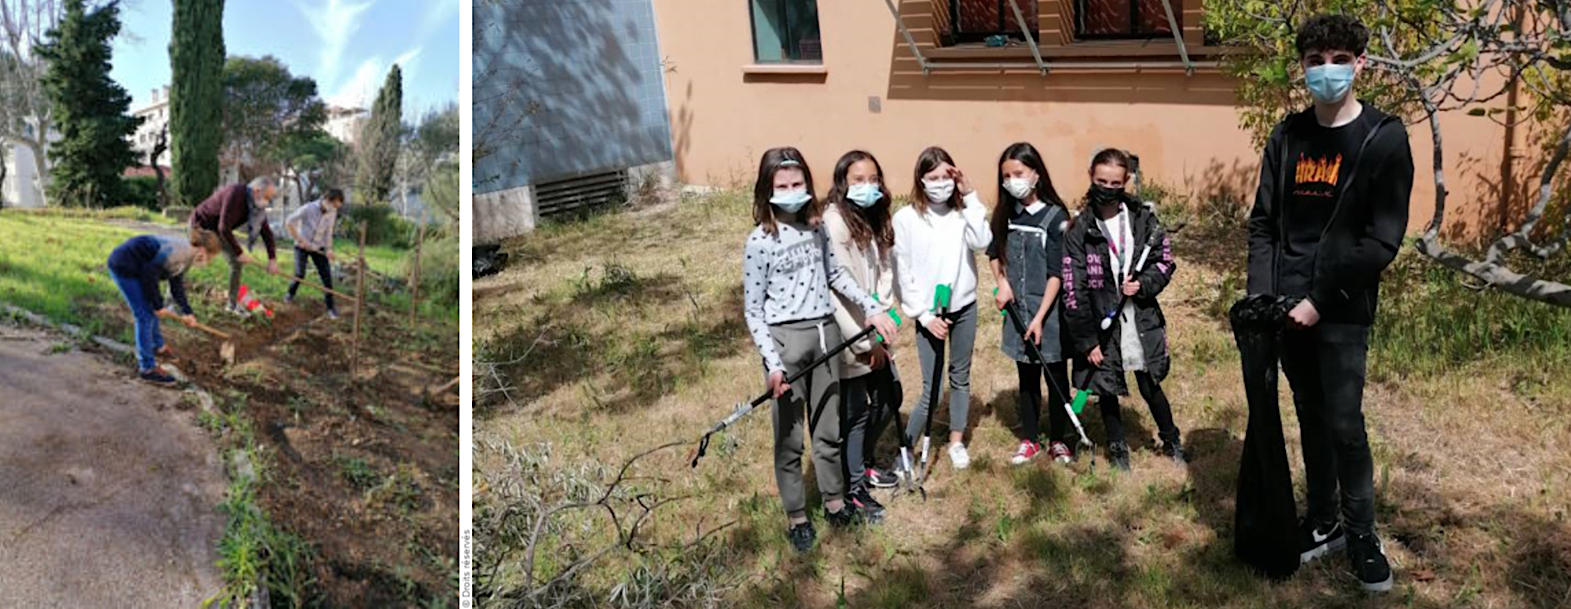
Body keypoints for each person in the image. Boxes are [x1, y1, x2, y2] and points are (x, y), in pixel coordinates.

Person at [1245, 13, 1412, 593]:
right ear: (1303, 68)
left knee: (1344, 423)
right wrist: (1261, 301)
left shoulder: (1383, 137)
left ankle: (1362, 533)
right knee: (1310, 419)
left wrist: (1319, 300)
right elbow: (1263, 225)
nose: (1327, 71)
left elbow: (1381, 239)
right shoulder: (1287, 137)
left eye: (1339, 59)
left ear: (1360, 64)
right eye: (1315, 61)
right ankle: (1324, 521)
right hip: (1285, 308)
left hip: (1340, 309)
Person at [741, 147, 899, 553]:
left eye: (797, 184)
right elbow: (754, 310)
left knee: (828, 431)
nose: (791, 191)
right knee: (790, 438)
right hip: (787, 343)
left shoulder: (817, 229)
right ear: (767, 189)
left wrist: (871, 307)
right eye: (782, 186)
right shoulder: (760, 241)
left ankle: (834, 501)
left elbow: (837, 277)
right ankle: (797, 516)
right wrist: (773, 364)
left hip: (826, 335)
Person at [1061, 148, 1183, 472]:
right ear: (1091, 176)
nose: (1108, 187)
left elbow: (1165, 261)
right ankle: (1118, 450)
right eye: (1102, 180)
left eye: (1115, 182)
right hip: (1101, 320)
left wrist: (1143, 284)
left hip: (1139, 316)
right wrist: (1087, 339)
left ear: (1125, 181)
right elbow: (1073, 289)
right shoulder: (1078, 228)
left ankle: (1171, 439)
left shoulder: (1143, 218)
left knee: (1149, 383)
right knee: (1106, 386)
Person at [893, 146, 993, 470]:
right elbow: (902, 272)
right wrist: (922, 315)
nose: (940, 184)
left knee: (960, 377)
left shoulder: (964, 213)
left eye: (946, 177)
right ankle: (905, 448)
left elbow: (983, 242)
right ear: (920, 180)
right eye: (932, 178)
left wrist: (971, 196)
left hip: (964, 305)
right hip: (929, 312)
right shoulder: (906, 219)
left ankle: (956, 441)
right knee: (932, 389)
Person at [822, 150, 902, 521]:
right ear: (843, 183)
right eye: (858, 180)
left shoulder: (873, 217)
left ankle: (862, 463)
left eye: (873, 179)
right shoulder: (835, 223)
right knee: (855, 414)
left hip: (875, 328)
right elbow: (841, 291)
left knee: (890, 396)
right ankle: (852, 489)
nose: (867, 187)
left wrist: (882, 325)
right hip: (850, 335)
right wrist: (866, 344)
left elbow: (883, 272)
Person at [986, 143, 1073, 465]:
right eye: (1006, 176)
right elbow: (994, 254)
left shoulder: (1055, 217)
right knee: (1026, 378)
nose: (1012, 180)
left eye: (1018, 173)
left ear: (1035, 173)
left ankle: (1060, 439)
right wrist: (1002, 283)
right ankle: (1030, 439)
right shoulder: (1006, 214)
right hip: (1017, 311)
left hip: (1048, 315)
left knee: (1056, 377)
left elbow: (1056, 274)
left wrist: (1039, 318)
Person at [106, 229, 224, 385]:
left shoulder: (188, 257)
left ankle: (158, 346)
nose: (208, 262)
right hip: (124, 266)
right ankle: (147, 368)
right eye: (210, 257)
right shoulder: (179, 252)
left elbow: (176, 285)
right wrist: (158, 305)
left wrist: (188, 312)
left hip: (140, 267)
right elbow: (149, 274)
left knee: (150, 311)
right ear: (203, 250)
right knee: (145, 315)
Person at [189, 176, 281, 315]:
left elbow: (267, 233)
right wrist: (239, 253)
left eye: (270, 198)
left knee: (236, 264)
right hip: (201, 225)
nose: (268, 202)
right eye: (267, 197)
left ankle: (232, 305)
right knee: (188, 258)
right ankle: (170, 301)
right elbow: (224, 227)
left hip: (219, 231)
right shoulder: (235, 194)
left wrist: (272, 259)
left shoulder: (256, 208)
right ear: (256, 191)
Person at [284, 188, 345, 319]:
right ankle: (290, 294)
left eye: (337, 207)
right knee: (300, 274)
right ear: (327, 200)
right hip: (302, 246)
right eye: (334, 205)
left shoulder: (332, 212)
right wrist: (299, 239)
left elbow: (329, 232)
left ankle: (331, 308)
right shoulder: (308, 208)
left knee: (327, 277)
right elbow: (289, 221)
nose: (334, 208)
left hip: (319, 247)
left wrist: (329, 249)